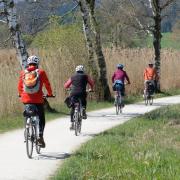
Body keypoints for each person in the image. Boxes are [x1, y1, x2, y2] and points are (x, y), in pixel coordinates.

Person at [18, 55, 53, 148]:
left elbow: (20, 86)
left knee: (28, 112)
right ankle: (40, 135)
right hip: (38, 100)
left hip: (26, 99)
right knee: (41, 117)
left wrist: (21, 94)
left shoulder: (23, 73)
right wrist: (50, 94)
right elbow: (47, 84)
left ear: (28, 64)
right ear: (37, 63)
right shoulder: (41, 72)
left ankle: (27, 129)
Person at [64, 65, 94, 130]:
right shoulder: (86, 76)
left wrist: (69, 88)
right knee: (83, 100)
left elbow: (66, 85)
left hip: (73, 93)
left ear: (76, 70)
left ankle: (72, 123)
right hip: (82, 92)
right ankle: (83, 109)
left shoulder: (72, 77)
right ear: (83, 70)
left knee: (73, 107)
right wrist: (91, 89)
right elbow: (91, 83)